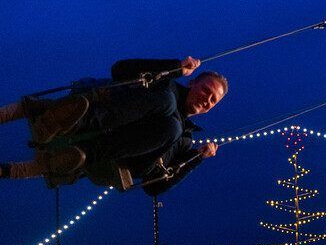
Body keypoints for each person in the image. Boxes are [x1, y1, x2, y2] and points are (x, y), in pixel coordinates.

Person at [0, 57, 226, 196]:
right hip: (105, 115)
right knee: (167, 102)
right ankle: (66, 123)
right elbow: (120, 70)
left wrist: (196, 158)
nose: (207, 99)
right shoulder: (165, 84)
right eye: (206, 90)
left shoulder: (185, 140)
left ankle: (81, 149)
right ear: (193, 82)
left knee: (173, 128)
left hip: (127, 159)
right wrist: (174, 67)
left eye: (213, 100)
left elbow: (153, 188)